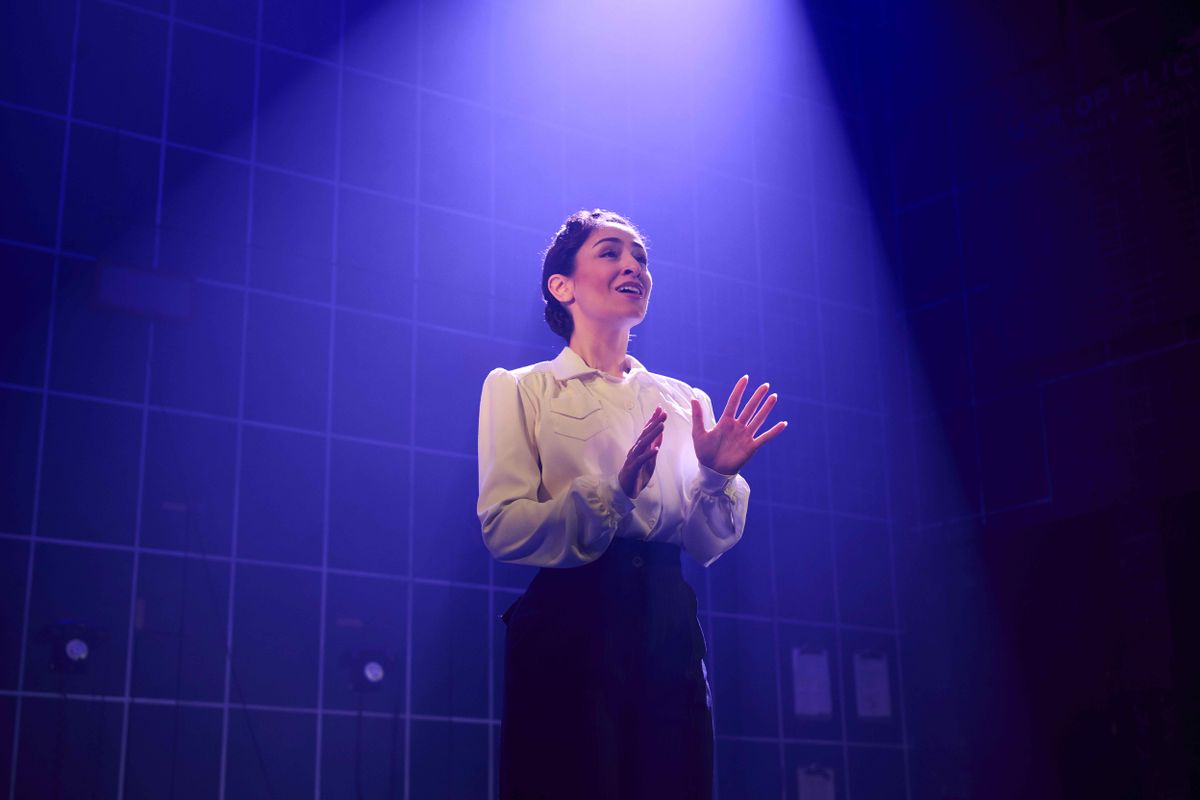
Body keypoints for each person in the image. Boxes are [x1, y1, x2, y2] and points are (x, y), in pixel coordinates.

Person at [477, 209, 787, 799]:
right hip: (570, 620)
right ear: (561, 287)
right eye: (610, 252)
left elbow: (704, 544)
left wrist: (717, 475)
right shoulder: (521, 388)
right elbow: (503, 526)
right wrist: (611, 495)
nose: (632, 266)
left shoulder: (682, 401)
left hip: (666, 619)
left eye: (640, 256)